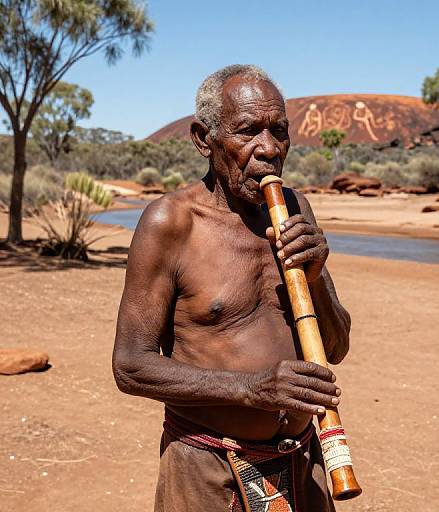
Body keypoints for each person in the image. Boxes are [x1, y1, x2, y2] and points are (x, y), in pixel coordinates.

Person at [112, 64, 351, 512]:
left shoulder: (296, 207)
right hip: (207, 469)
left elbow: (335, 347)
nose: (268, 150)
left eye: (278, 131)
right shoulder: (171, 223)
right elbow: (130, 365)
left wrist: (316, 276)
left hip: (304, 461)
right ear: (205, 139)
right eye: (248, 132)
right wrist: (250, 388)